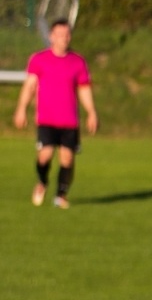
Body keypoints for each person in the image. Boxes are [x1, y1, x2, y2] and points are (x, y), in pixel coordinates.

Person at [12, 19, 97, 208]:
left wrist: (91, 112)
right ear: (51, 36)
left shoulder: (77, 62)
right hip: (47, 119)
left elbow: (84, 89)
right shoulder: (39, 59)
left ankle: (61, 196)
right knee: (45, 156)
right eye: (60, 35)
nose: (64, 38)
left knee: (67, 158)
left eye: (67, 34)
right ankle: (42, 182)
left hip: (69, 121)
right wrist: (21, 109)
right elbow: (30, 86)